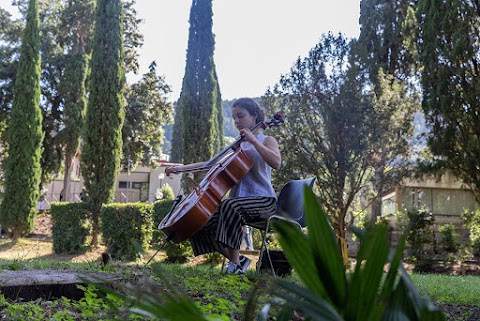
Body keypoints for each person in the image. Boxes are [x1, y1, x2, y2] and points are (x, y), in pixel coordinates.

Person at [165, 98, 281, 274]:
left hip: (264, 202)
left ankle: (234, 266)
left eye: (240, 116)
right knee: (197, 223)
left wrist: (253, 140)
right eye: (234, 117)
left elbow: (276, 162)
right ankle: (238, 261)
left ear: (254, 116)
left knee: (229, 205)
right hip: (237, 204)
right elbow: (210, 164)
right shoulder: (238, 146)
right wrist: (180, 168)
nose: (236, 121)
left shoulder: (267, 140)